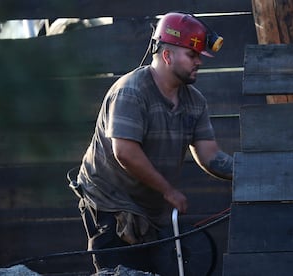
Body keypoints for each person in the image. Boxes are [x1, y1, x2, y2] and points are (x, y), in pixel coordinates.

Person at [74, 12, 232, 273]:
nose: (198, 63)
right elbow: (124, 151)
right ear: (167, 56)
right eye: (192, 56)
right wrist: (168, 190)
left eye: (199, 57)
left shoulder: (195, 102)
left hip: (151, 211)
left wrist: (250, 172)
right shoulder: (131, 92)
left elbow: (210, 155)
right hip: (110, 203)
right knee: (121, 273)